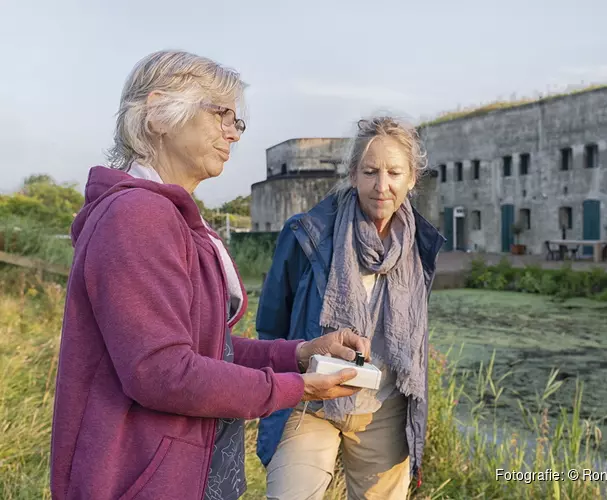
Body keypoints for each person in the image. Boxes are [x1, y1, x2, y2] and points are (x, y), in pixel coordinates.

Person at [49, 49, 371, 500]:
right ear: (159, 112)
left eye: (236, 122)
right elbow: (162, 372)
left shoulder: (169, 216)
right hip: (144, 480)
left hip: (180, 472)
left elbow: (204, 349)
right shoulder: (136, 216)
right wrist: (293, 388)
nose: (232, 134)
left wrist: (298, 354)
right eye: (221, 114)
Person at [256, 116, 446, 499]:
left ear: (412, 179)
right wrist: (280, 385)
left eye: (394, 172)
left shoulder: (419, 245)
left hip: (384, 409)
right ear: (352, 173)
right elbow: (271, 324)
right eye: (370, 171)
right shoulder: (305, 233)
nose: (382, 185)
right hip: (310, 399)